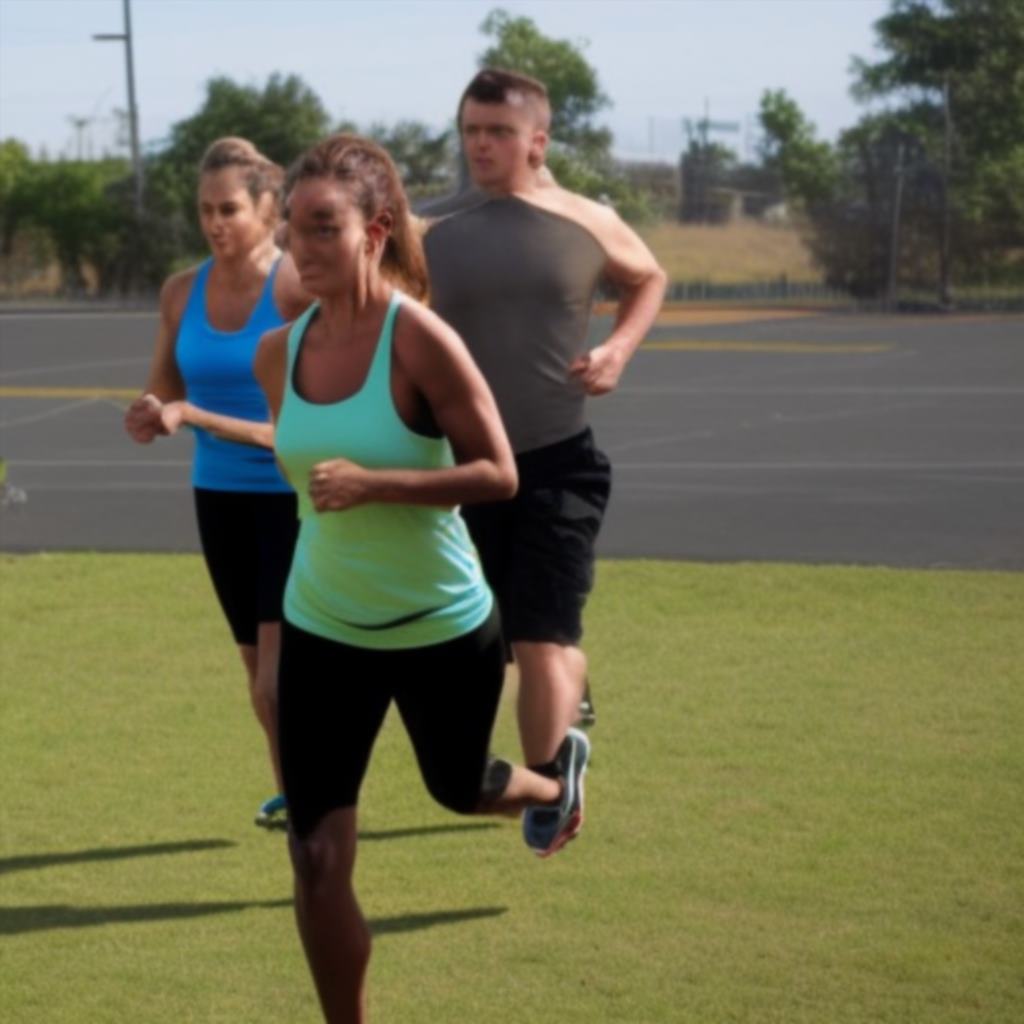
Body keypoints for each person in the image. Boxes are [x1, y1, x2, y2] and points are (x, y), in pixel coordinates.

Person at [254, 133, 589, 1024]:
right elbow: (299, 463)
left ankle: (555, 783)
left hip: (441, 627)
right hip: (324, 627)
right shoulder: (275, 355)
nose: (303, 247)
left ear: (377, 229)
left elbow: (499, 474)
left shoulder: (422, 340)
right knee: (316, 858)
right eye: (293, 228)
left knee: (459, 785)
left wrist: (379, 485)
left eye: (324, 227)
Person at [423, 69, 667, 853]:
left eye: (497, 131)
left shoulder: (586, 220)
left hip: (559, 461)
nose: (481, 146)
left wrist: (618, 349)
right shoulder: (429, 226)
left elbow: (648, 277)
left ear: (538, 140)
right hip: (461, 474)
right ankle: (568, 683)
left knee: (536, 638)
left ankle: (549, 792)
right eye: (470, 131)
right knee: (485, 641)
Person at [123, 137, 312, 828]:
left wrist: (192, 414)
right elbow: (163, 389)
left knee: (275, 681)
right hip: (218, 499)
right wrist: (152, 413)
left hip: (292, 499)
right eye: (205, 209)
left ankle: (312, 804)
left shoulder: (297, 288)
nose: (215, 222)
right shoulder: (181, 291)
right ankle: (297, 792)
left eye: (229, 208)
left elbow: (294, 432)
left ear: (269, 208)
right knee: (256, 679)